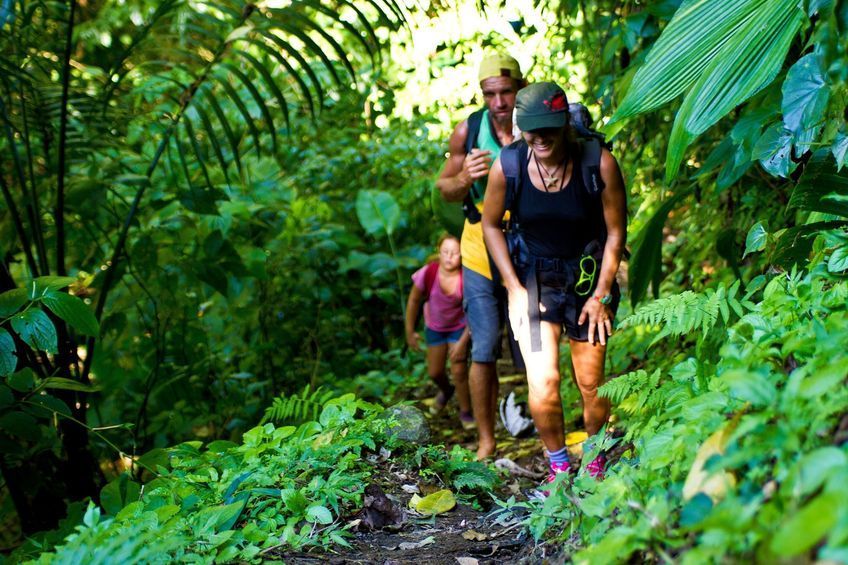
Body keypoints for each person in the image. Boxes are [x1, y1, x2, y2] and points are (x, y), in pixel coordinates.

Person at [481, 82, 627, 483]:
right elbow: (490, 225)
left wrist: (600, 295)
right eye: (532, 131)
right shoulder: (508, 165)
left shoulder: (598, 163)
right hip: (534, 278)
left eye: (548, 129)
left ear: (564, 124)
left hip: (587, 276)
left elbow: (616, 233)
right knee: (543, 381)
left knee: (591, 381)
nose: (540, 138)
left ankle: (594, 462)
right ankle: (559, 470)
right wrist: (512, 287)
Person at [435, 53, 526, 459]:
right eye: (491, 94)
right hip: (478, 244)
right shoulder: (468, 131)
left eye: (507, 92)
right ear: (482, 95)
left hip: (530, 241)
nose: (500, 102)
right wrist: (463, 177)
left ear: (521, 88)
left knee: (537, 342)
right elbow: (445, 188)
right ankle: (486, 441)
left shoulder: (536, 121)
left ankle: (548, 428)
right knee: (484, 344)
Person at [405, 234, 473, 428]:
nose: (450, 257)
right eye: (445, 252)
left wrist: (462, 342)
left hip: (460, 327)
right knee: (435, 372)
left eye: (455, 253)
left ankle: (466, 412)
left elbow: (474, 310)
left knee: (459, 368)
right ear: (439, 252)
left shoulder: (466, 276)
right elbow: (414, 301)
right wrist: (409, 331)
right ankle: (446, 390)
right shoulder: (429, 273)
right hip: (435, 327)